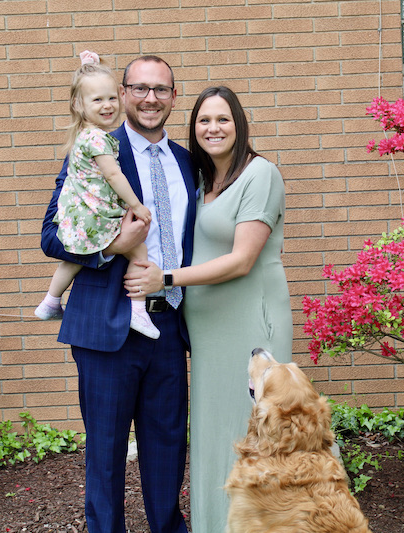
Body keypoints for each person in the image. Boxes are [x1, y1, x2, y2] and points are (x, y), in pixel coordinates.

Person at [124, 86, 293, 533]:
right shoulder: (201, 182)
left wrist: (166, 279)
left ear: (239, 124)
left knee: (259, 434)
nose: (213, 128)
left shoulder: (261, 175)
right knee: (216, 434)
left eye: (223, 119)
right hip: (207, 330)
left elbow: (241, 260)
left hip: (250, 326)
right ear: (193, 127)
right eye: (204, 120)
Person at [40, 54, 196, 533]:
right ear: (124, 94)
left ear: (173, 96)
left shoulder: (189, 163)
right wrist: (113, 247)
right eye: (140, 88)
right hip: (108, 327)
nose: (151, 99)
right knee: (105, 449)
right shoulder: (94, 149)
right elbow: (52, 234)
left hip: (169, 321)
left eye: (162, 89)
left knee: (168, 444)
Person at [35, 50, 159, 340]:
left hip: (79, 219)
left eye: (111, 98)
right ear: (79, 104)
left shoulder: (82, 137)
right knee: (138, 249)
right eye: (97, 100)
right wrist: (136, 206)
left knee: (75, 259)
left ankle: (50, 300)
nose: (107, 106)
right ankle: (138, 310)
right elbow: (114, 175)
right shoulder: (99, 139)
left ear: (121, 96)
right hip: (97, 218)